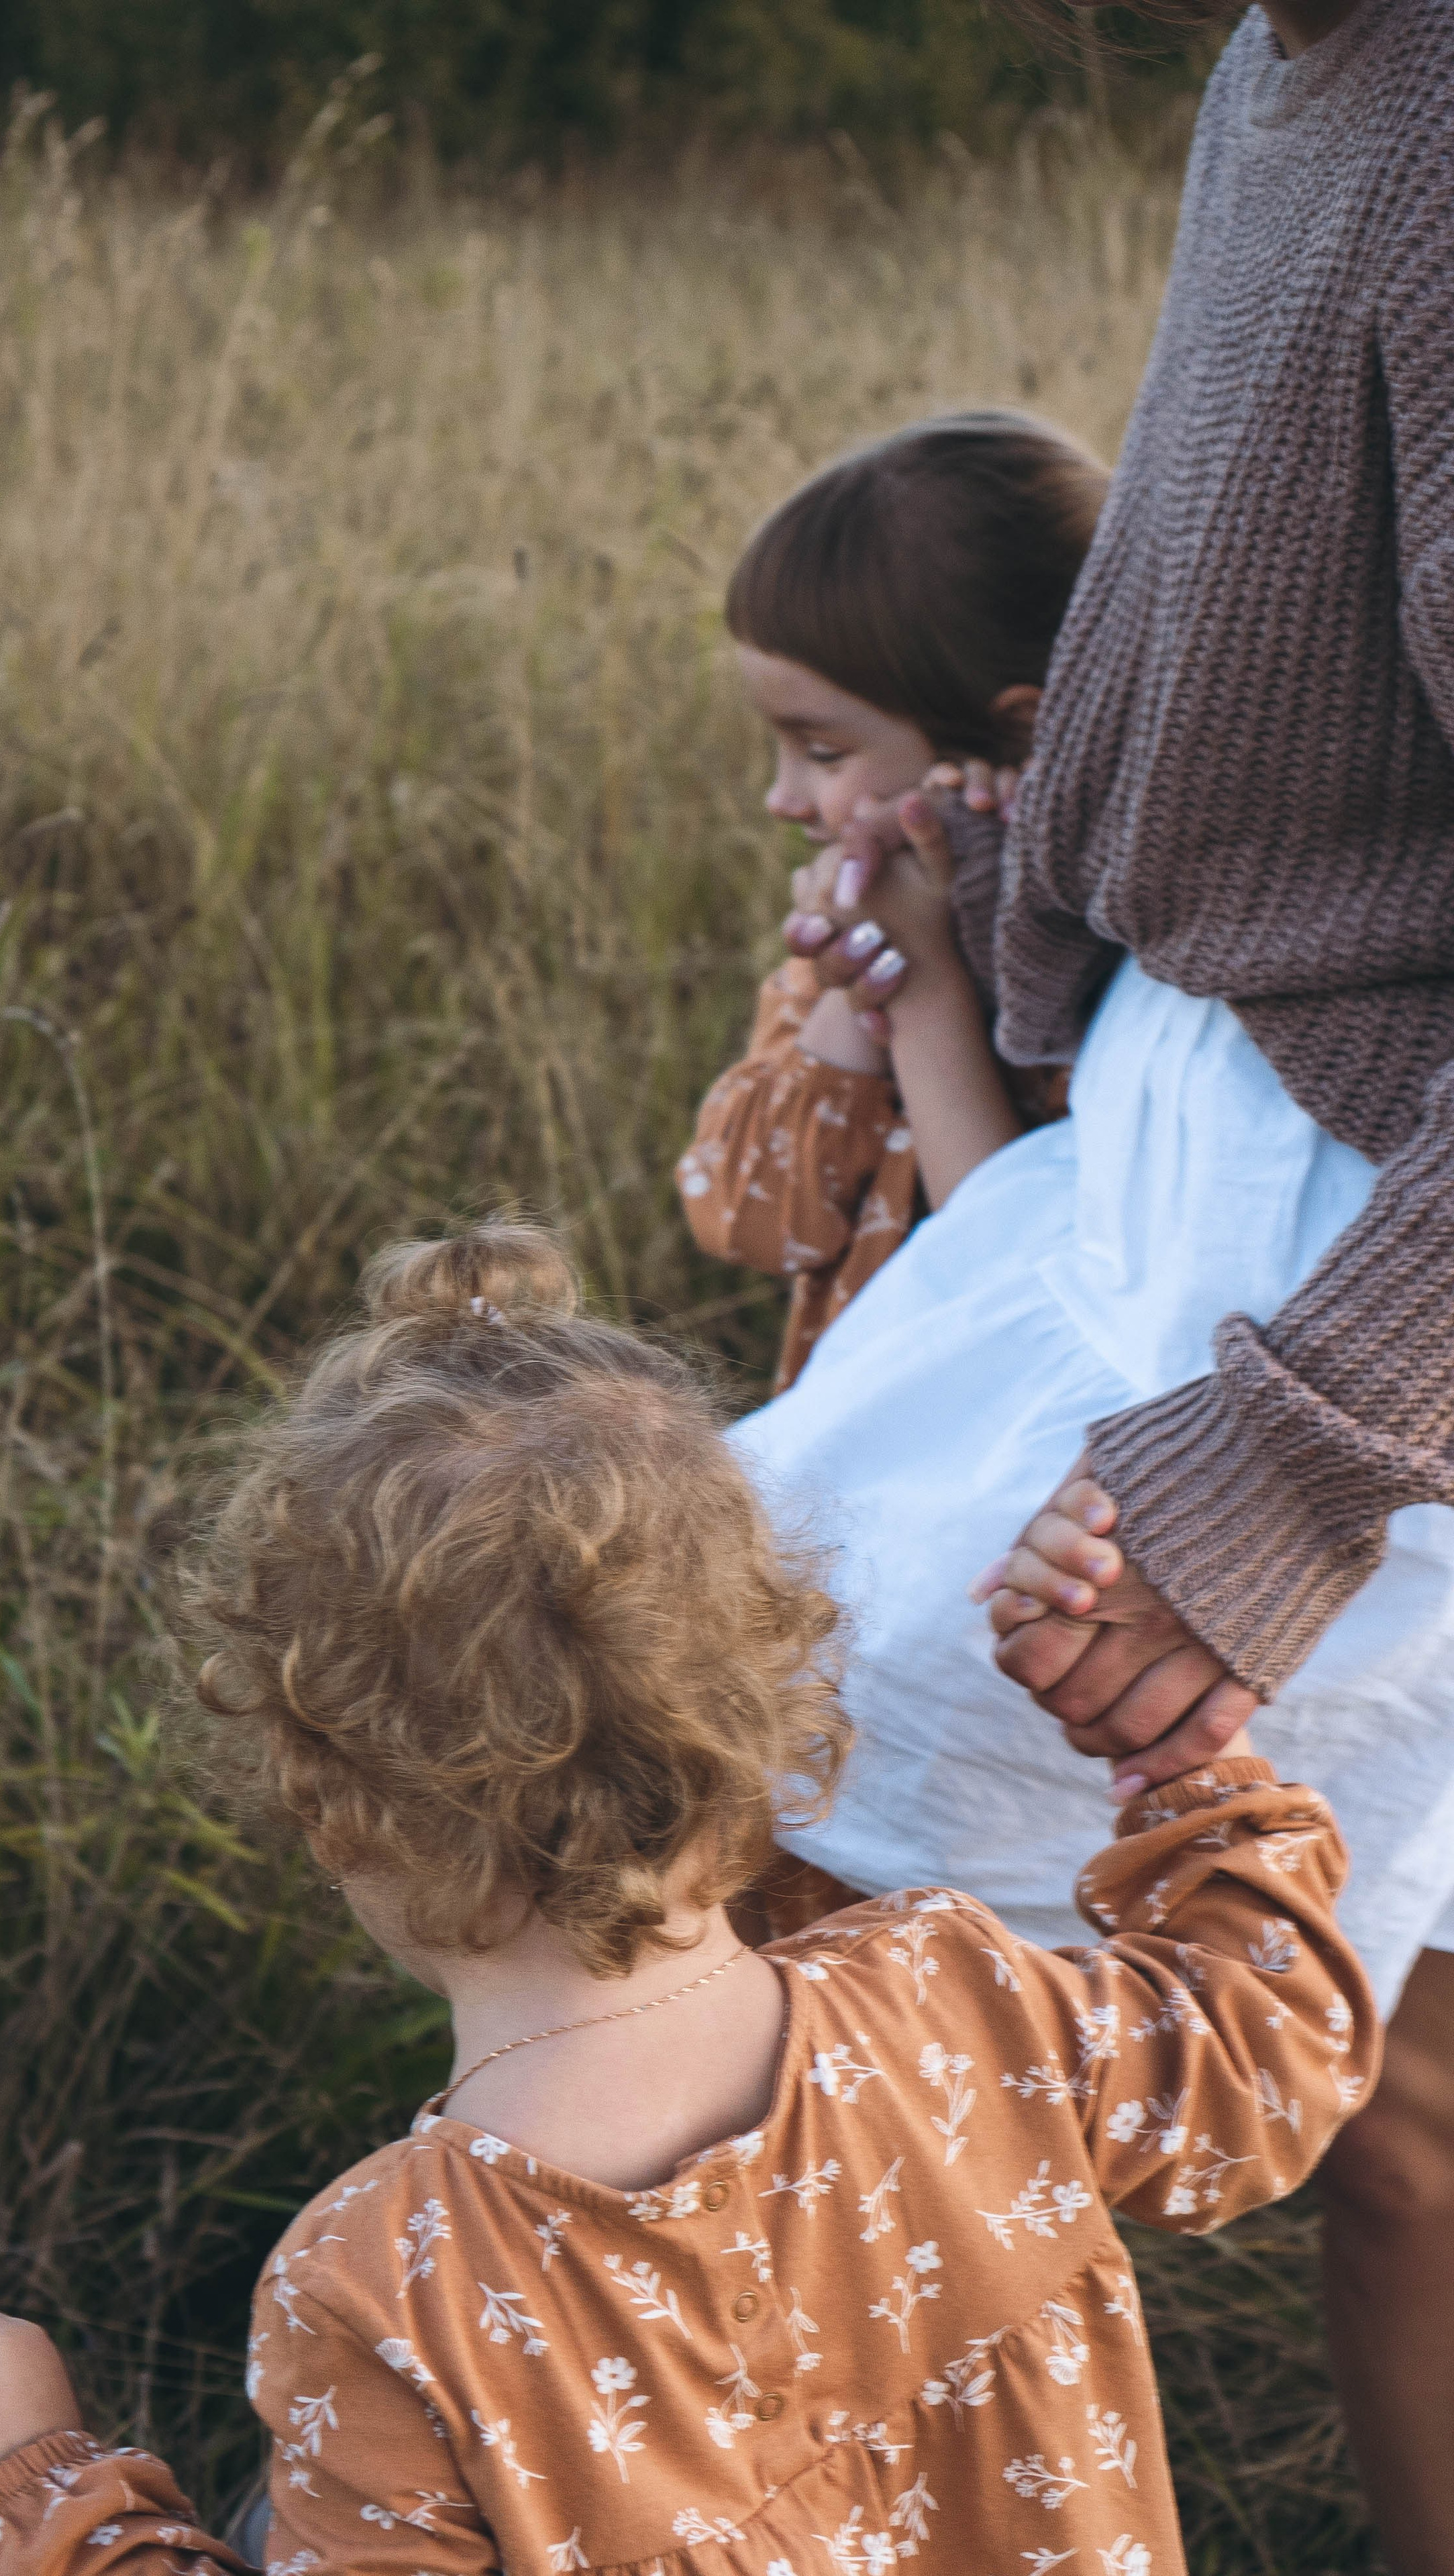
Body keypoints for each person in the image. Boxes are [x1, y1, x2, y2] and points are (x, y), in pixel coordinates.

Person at [0, 1224, 1377, 2576]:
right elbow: (1265, 2050)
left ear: (325, 1801)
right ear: (772, 1704)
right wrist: (1189, 1770)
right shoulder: (954, 1998)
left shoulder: (387, 2289)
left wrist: (25, 2490)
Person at [728, 0, 1454, 2563]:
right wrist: (1011, 929)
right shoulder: (1301, 61)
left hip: (1332, 1309)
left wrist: (1285, 1455)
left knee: (814, 1916)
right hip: (1177, 1215)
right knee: (1394, 2101)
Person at [677, 412, 1104, 1391]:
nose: (783, 798)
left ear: (1016, 737)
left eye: (824, 753)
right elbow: (746, 1214)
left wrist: (920, 992)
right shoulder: (836, 947)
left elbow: (1015, 1294)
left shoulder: (1114, 978)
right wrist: (852, 989)